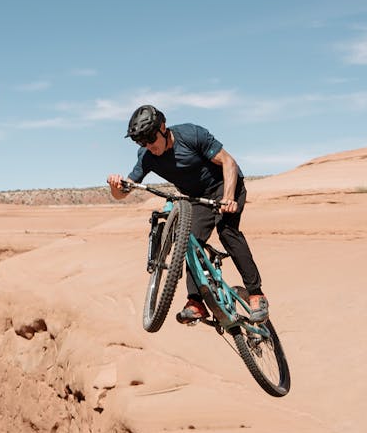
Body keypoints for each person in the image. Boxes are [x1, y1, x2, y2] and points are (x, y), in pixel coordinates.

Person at [107, 104, 269, 323]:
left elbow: (229, 163)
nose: (148, 146)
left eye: (151, 139)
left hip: (226, 184)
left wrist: (228, 198)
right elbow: (124, 192)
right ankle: (196, 302)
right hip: (196, 197)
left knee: (227, 230)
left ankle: (256, 293)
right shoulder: (146, 156)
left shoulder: (191, 134)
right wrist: (116, 185)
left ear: (162, 127)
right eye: (141, 142)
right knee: (189, 240)